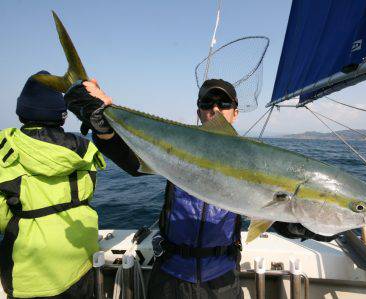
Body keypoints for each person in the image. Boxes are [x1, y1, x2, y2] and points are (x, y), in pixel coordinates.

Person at [64, 78, 337, 299]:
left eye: (224, 103)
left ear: (235, 112)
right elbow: (134, 163)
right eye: (207, 103)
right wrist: (104, 128)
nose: (215, 109)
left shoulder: (262, 163)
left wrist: (308, 224)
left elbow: (274, 211)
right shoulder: (177, 150)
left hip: (222, 279)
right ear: (198, 112)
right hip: (170, 274)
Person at [0, 71, 105, 299]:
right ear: (63, 116)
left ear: (21, 112)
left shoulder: (3, 149)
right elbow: (88, 192)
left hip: (29, 277)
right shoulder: (84, 150)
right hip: (81, 263)